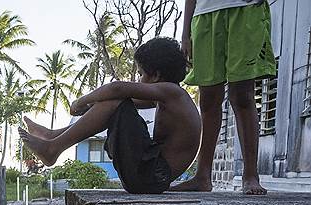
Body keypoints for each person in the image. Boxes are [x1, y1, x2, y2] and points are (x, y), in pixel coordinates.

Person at [20, 37, 201, 195]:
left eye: (140, 74)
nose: (138, 79)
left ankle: (53, 148)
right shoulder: (169, 98)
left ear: (156, 75)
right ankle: (54, 137)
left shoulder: (173, 93)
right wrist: (92, 107)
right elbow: (117, 103)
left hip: (151, 175)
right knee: (115, 102)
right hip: (149, 175)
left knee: (116, 100)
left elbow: (117, 89)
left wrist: (80, 102)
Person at [173, 0, 276, 195]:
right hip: (204, 15)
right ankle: (202, 176)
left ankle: (251, 176)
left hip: (245, 10)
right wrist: (185, 34)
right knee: (208, 99)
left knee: (243, 95)